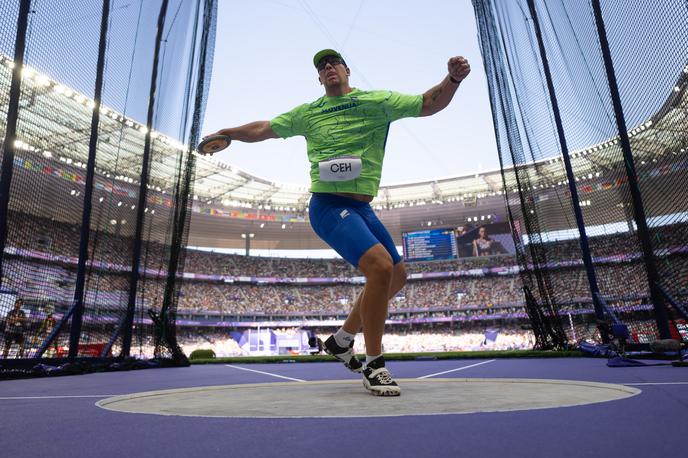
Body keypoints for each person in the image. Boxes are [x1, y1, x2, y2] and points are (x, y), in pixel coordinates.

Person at [205, 49, 470, 395]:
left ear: (347, 70)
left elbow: (428, 103)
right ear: (319, 78)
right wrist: (229, 132)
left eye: (333, 63)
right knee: (379, 267)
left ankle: (343, 340)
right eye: (321, 66)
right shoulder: (310, 113)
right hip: (328, 205)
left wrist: (452, 80)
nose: (327, 67)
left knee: (398, 275)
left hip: (363, 207)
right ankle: (374, 364)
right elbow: (265, 128)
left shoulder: (377, 101)